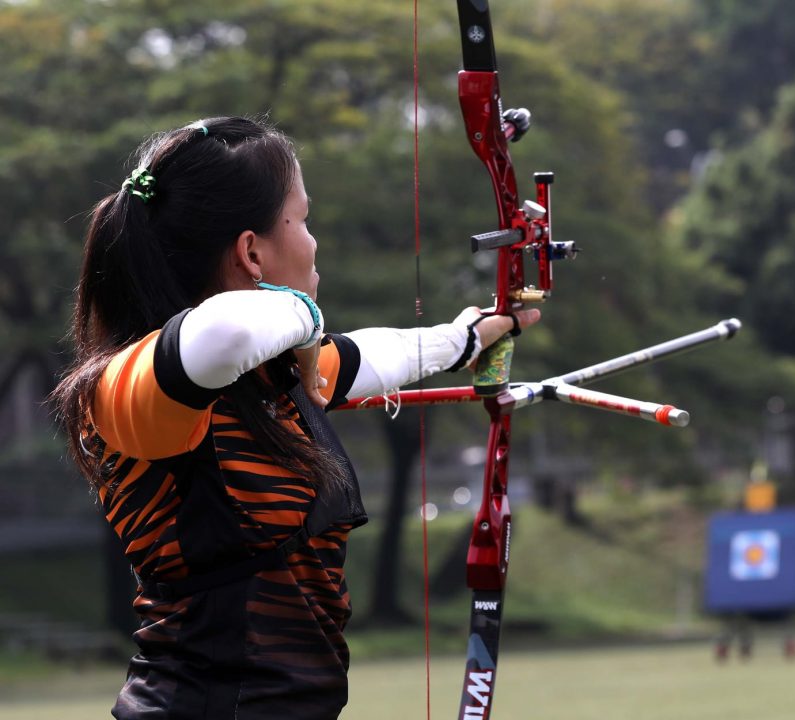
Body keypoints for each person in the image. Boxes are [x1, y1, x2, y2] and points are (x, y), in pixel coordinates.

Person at [51, 116, 539, 719]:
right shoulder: (132, 388)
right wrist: (306, 317)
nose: (313, 241)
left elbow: (372, 357)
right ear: (252, 252)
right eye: (302, 220)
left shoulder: (268, 384)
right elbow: (228, 331)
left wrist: (466, 338)